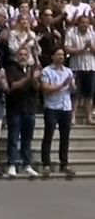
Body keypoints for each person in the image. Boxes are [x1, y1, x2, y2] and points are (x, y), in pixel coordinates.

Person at [40, 48, 76, 178]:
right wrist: (62, 85)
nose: (61, 57)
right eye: (58, 55)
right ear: (52, 57)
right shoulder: (46, 71)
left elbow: (73, 89)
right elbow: (46, 88)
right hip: (52, 107)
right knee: (48, 135)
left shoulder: (68, 71)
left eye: (62, 55)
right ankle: (46, 163)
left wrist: (71, 85)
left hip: (65, 107)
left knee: (65, 137)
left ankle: (64, 163)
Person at [5, 47, 41, 178]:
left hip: (30, 109)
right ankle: (12, 164)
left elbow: (37, 88)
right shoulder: (12, 69)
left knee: (27, 139)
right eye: (20, 55)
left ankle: (27, 164)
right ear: (16, 56)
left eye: (25, 55)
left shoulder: (33, 70)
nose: (23, 57)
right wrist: (29, 77)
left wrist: (34, 79)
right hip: (15, 109)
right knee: (13, 138)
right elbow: (13, 86)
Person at [63, 15, 95, 125]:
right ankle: (72, 117)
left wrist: (91, 48)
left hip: (90, 67)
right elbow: (67, 49)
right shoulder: (71, 33)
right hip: (76, 67)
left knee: (89, 94)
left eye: (87, 22)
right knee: (75, 94)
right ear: (78, 23)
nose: (85, 24)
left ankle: (89, 118)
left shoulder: (92, 34)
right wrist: (82, 49)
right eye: (82, 22)